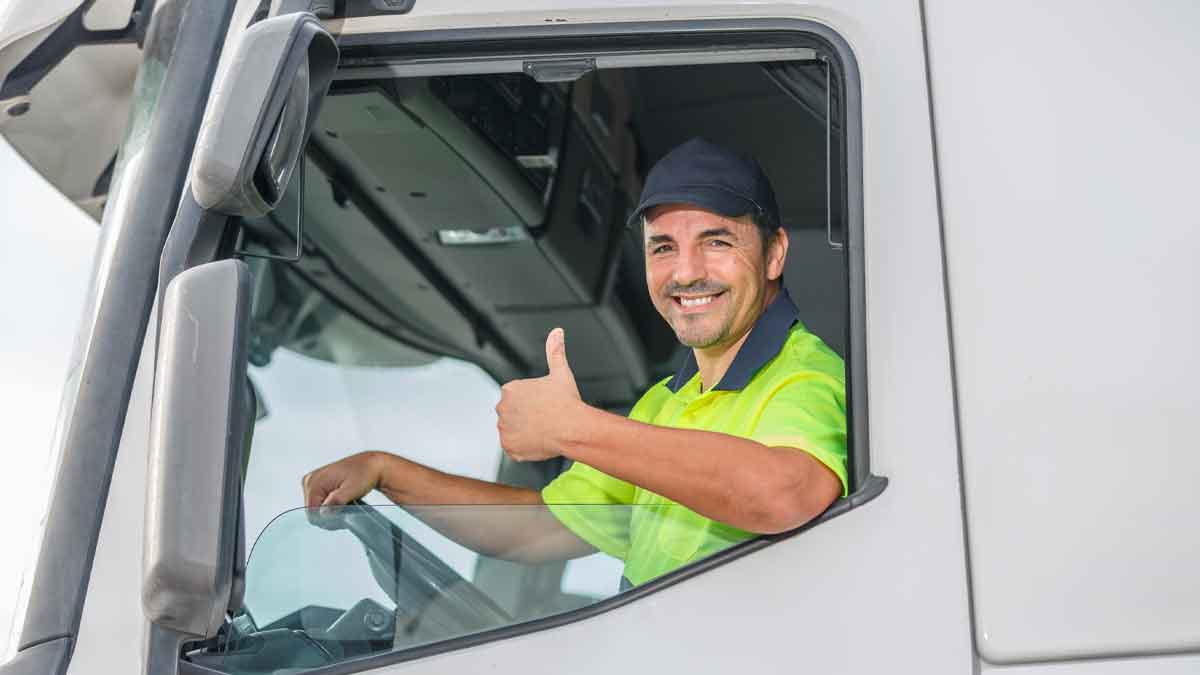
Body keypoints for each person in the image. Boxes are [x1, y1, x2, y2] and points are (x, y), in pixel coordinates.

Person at [302, 138, 847, 587]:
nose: (685, 273)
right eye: (662, 248)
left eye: (716, 241)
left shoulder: (806, 374)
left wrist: (572, 428)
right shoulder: (663, 404)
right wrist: (386, 470)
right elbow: (537, 529)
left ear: (774, 253)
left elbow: (786, 493)